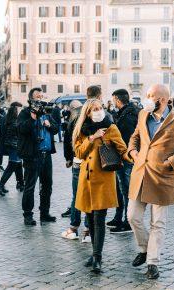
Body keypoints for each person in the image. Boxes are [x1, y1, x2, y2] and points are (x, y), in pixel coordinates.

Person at [128, 84, 174, 279]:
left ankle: (152, 262)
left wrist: (171, 163)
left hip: (162, 176)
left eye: (152, 96)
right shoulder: (143, 114)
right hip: (141, 173)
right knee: (132, 217)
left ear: (164, 100)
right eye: (147, 95)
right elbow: (135, 137)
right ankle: (144, 249)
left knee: (157, 223)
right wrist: (133, 153)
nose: (148, 98)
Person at [73, 98, 131, 273]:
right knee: (90, 219)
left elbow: (122, 149)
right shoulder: (82, 130)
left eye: (100, 108)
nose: (98, 111)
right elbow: (78, 153)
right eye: (94, 109)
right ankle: (94, 253)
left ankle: (97, 258)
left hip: (103, 180)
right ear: (88, 113)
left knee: (99, 219)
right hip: (86, 180)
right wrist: (92, 137)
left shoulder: (111, 128)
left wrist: (135, 158)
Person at [61, 86, 110, 240]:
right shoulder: (105, 115)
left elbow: (69, 137)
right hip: (97, 161)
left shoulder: (76, 112)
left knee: (78, 195)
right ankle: (88, 231)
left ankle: (74, 228)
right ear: (100, 96)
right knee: (93, 196)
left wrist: (68, 157)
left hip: (78, 160)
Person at [17, 88, 59, 226]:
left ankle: (44, 213)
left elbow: (56, 128)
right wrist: (33, 118)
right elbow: (21, 129)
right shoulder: (24, 113)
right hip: (32, 155)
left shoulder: (46, 112)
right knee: (30, 186)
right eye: (37, 97)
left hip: (46, 155)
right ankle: (28, 215)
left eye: (41, 96)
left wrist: (49, 124)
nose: (40, 99)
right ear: (31, 99)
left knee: (47, 185)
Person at [107, 89, 139, 233]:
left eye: (114, 99)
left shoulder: (128, 115)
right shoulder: (127, 112)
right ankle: (119, 217)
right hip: (123, 156)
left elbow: (124, 138)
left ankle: (127, 221)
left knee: (125, 189)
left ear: (118, 100)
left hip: (126, 157)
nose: (113, 102)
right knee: (119, 189)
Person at [0, 102, 24, 196]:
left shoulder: (8, 118)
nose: (21, 111)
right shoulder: (15, 121)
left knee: (18, 164)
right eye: (19, 109)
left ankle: (21, 183)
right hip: (14, 146)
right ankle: (0, 184)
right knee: (12, 165)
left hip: (12, 145)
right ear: (15, 110)